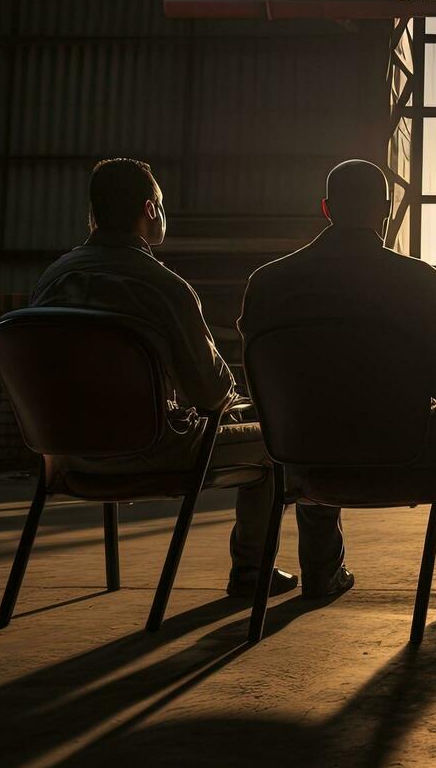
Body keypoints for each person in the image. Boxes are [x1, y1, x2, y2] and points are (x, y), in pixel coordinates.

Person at [237, 160, 436, 605]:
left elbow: (263, 383)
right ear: (386, 210)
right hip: (405, 454)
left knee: (318, 417)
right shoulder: (418, 281)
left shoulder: (268, 283)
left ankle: (321, 570)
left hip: (304, 458)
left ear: (327, 209)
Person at [30, 158, 299, 599]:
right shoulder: (163, 287)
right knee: (275, 440)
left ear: (93, 215)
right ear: (151, 211)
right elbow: (212, 395)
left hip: (65, 457)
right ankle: (252, 572)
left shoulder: (51, 280)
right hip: (154, 453)